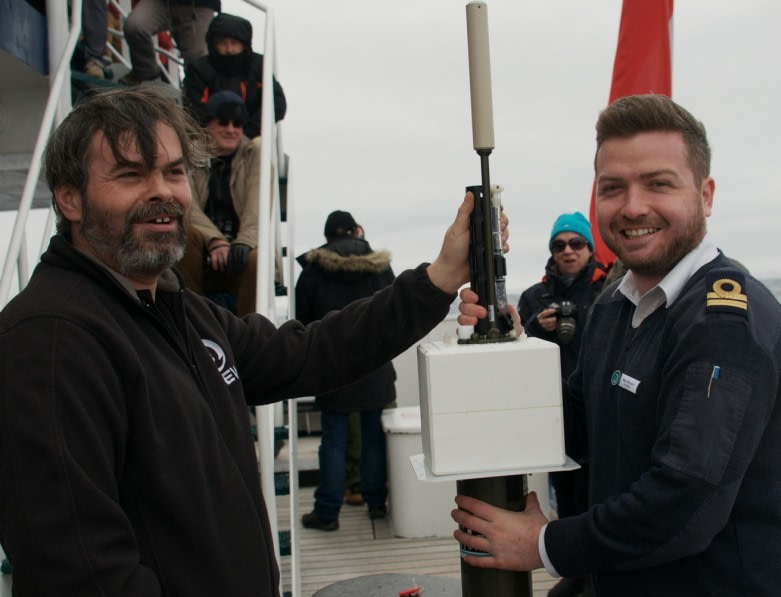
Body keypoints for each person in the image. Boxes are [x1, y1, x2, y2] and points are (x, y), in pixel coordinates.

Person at [0, 86, 495, 595]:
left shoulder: (183, 312)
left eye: (173, 171)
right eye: (130, 174)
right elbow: (80, 571)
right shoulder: (49, 341)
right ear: (68, 198)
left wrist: (437, 279)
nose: (163, 191)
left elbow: (306, 353)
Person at [453, 94, 781, 595]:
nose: (633, 206)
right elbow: (577, 424)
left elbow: (685, 504)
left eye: (659, 184)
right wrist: (511, 344)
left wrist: (544, 545)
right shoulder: (617, 305)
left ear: (705, 195)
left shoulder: (726, 324)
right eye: (613, 188)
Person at [516, 211, 609, 597]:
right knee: (566, 491)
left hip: (602, 406)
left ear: (589, 247)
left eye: (576, 243)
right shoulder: (534, 298)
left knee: (603, 493)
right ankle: (576, 573)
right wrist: (537, 327)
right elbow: (517, 350)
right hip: (557, 412)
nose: (568, 251)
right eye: (559, 245)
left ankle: (600, 576)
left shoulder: (612, 290)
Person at [295, 211, 396, 530]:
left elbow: (302, 322)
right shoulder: (380, 266)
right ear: (355, 232)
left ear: (327, 237)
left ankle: (327, 513)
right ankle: (377, 504)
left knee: (334, 441)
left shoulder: (312, 271)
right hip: (375, 365)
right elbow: (394, 311)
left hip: (332, 366)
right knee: (373, 439)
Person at [175, 90, 259, 316]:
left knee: (255, 259)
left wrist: (244, 242)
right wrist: (215, 240)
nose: (231, 129)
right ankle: (192, 321)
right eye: (223, 122)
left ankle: (252, 334)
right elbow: (185, 204)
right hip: (202, 249)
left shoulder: (255, 155)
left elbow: (257, 208)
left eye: (238, 123)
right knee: (184, 234)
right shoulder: (185, 155)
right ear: (206, 124)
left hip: (239, 249)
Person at [182, 12, 287, 139]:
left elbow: (277, 104)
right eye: (223, 43)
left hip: (250, 138)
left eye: (234, 43)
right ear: (213, 44)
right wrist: (217, 131)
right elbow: (192, 108)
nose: (229, 49)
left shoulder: (259, 67)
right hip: (208, 140)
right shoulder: (198, 69)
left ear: (244, 45)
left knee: (259, 147)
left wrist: (244, 132)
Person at [120, 0, 220, 86]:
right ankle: (146, 77)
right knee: (135, 27)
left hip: (199, 6)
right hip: (161, 3)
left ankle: (192, 102)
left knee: (197, 62)